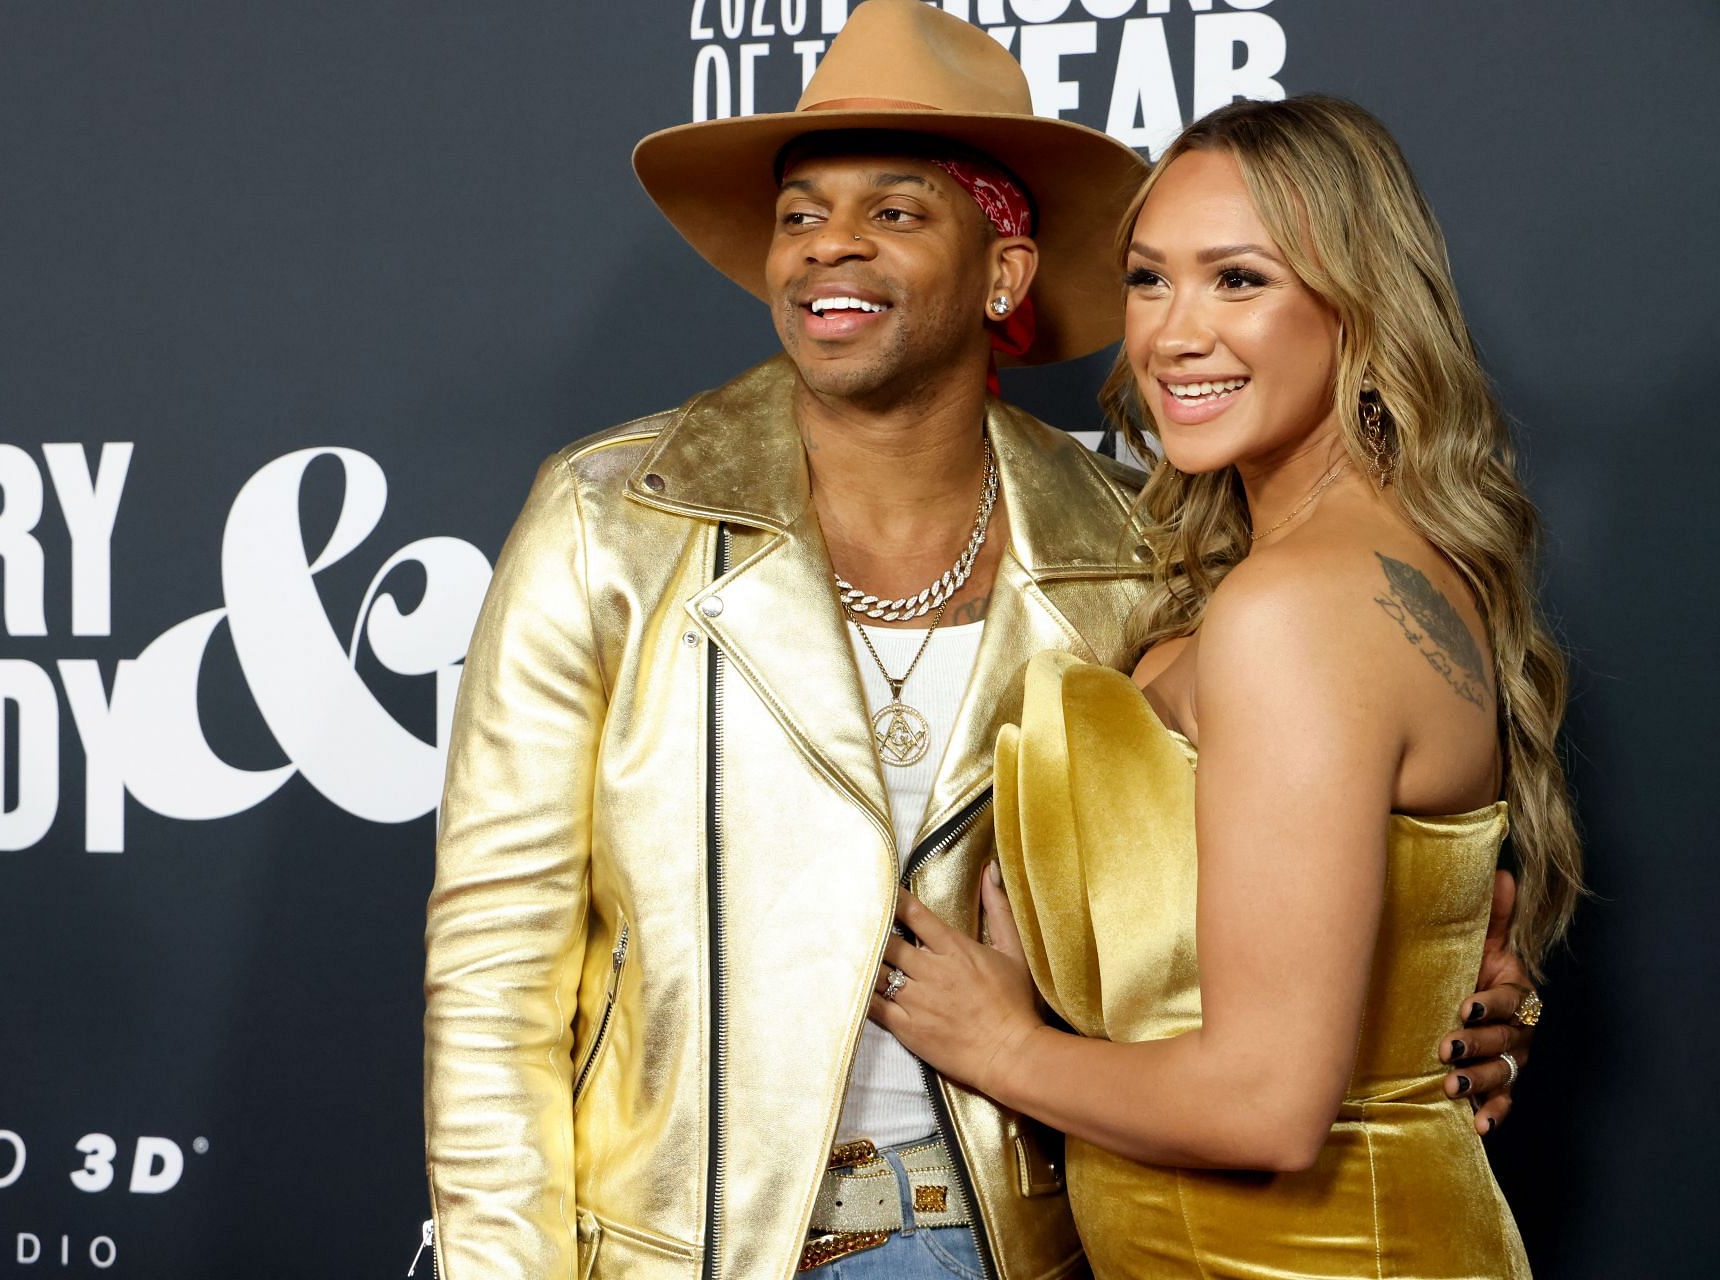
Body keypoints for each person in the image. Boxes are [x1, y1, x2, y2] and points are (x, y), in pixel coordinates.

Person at [421, 2, 1542, 1273]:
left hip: (1027, 1242)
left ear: (1005, 271)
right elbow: (495, 967)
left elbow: (1307, 878)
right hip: (688, 1246)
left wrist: (1447, 994)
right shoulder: (610, 523)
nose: (829, 247)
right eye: (800, 214)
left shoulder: (1148, 551)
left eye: (894, 211)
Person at [869, 95, 1579, 1278]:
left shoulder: (1299, 606)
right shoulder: (1335, 571)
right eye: (1151, 280)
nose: (1174, 335)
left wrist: (999, 1042)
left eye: (1239, 279)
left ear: (1360, 307)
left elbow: (1265, 1105)